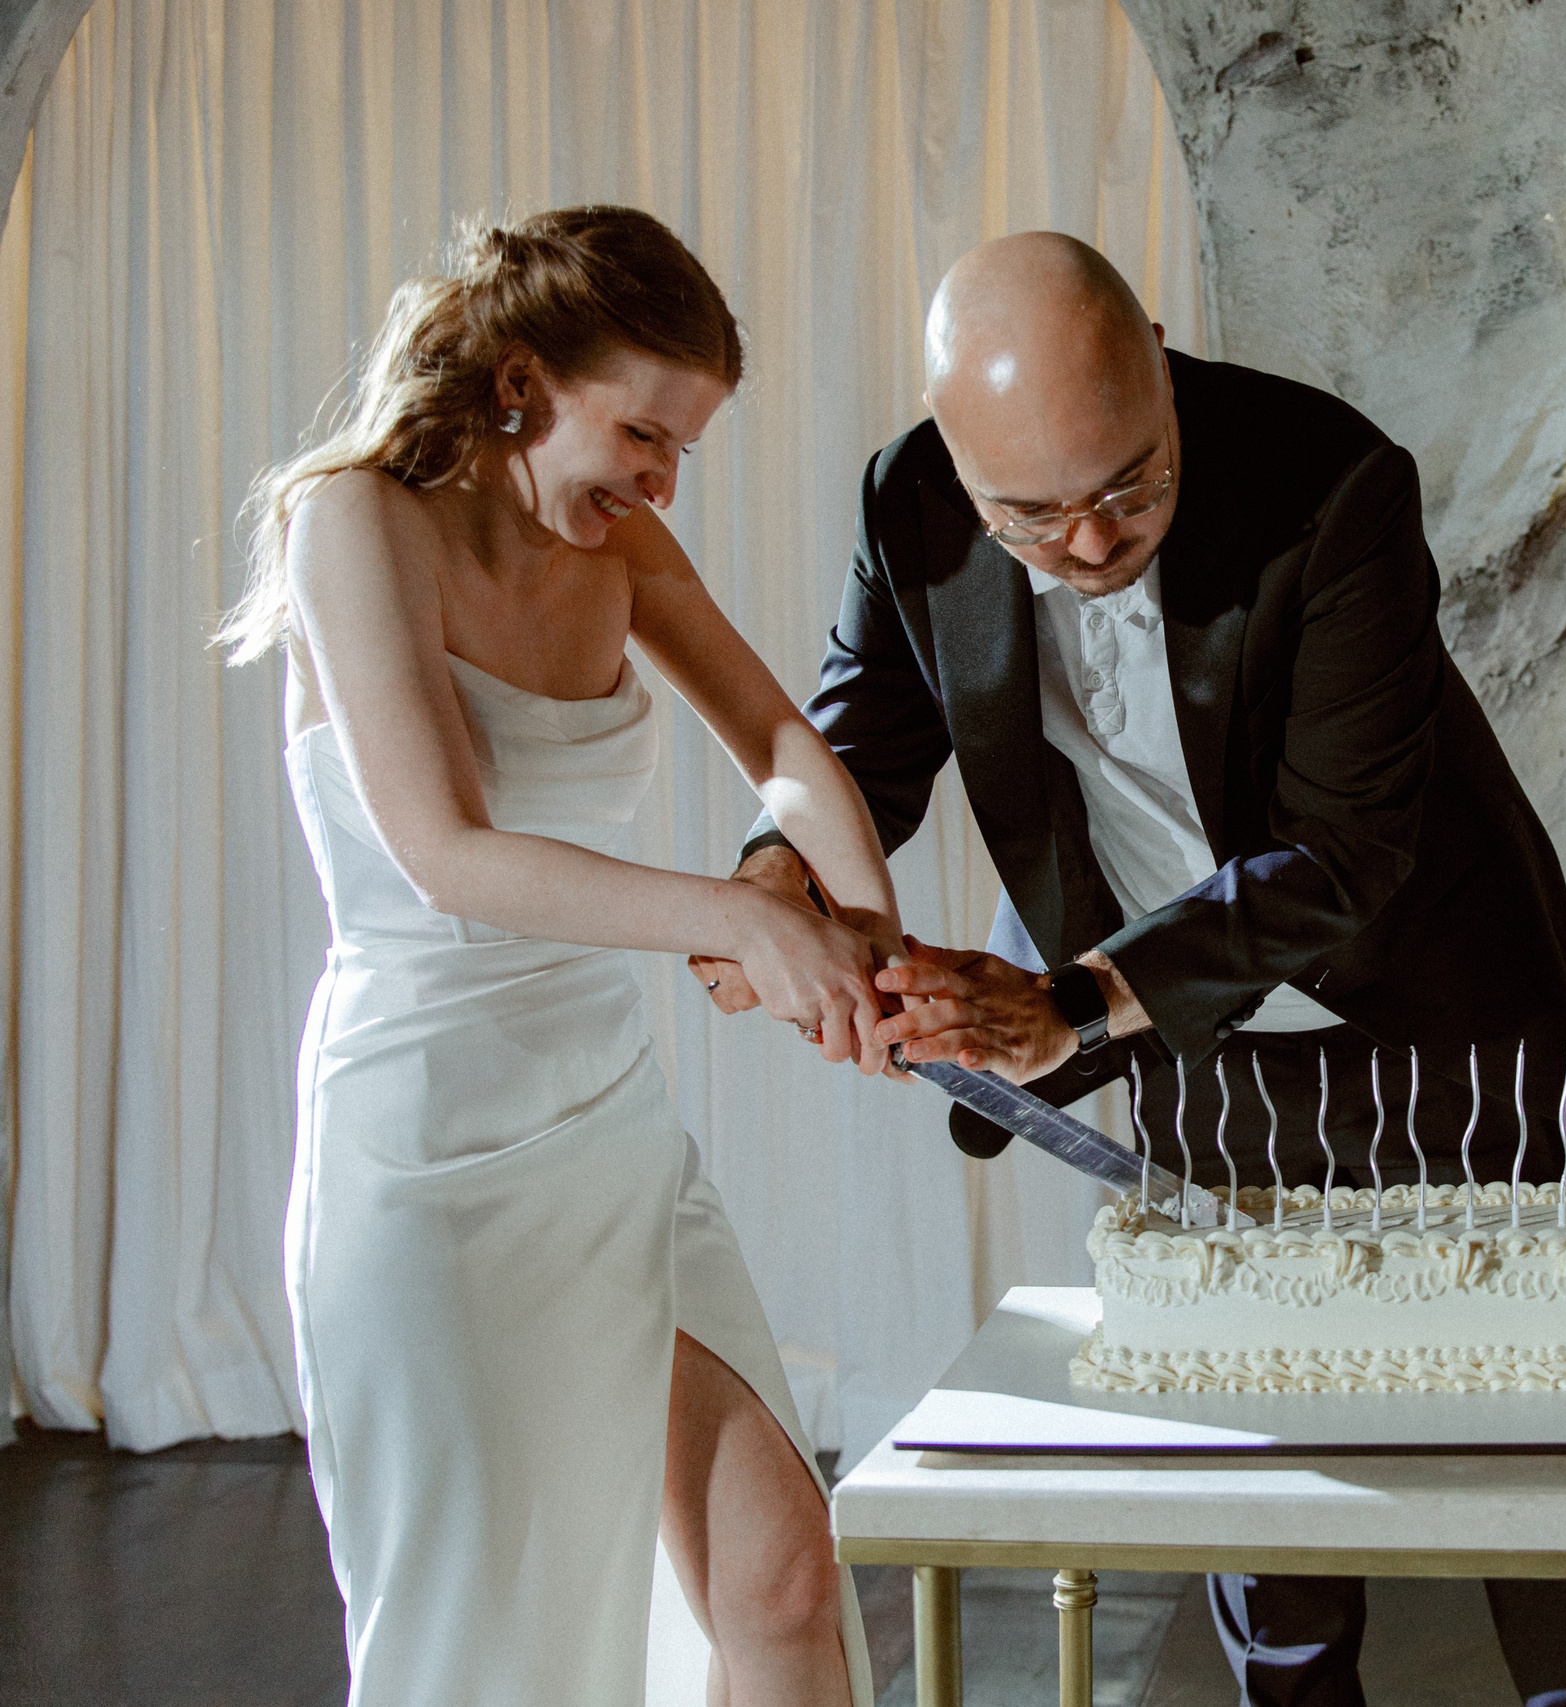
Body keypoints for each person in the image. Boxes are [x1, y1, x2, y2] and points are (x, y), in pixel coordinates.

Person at [691, 231, 1566, 1707]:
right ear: (960, 471)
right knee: (1255, 1438)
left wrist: (1072, 1001)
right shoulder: (910, 500)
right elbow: (867, 735)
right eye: (1034, 517)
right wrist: (772, 885)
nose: (1088, 545)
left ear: (1161, 358)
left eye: (1132, 487)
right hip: (1184, 1028)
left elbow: (1346, 856)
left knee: (1527, 1434)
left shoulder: (1329, 479)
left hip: (1422, 989)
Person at [223, 206, 897, 1707]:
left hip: (609, 1136)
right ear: (524, 380)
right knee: (487, 1643)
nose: (661, 482)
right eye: (643, 434)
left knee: (778, 1573)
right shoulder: (352, 522)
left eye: (684, 455)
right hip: (425, 1158)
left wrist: (866, 934)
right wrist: (735, 917)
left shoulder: (626, 549)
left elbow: (784, 739)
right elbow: (447, 857)